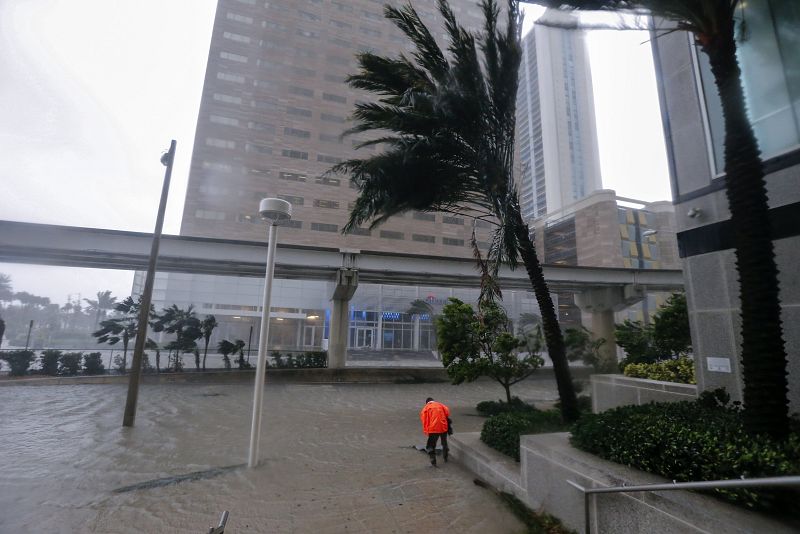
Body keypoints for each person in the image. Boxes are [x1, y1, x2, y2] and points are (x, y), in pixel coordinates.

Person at [420, 397, 451, 467]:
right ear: (433, 401)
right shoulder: (441, 405)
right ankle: (445, 457)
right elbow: (447, 413)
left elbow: (424, 421)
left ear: (426, 402)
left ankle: (433, 461)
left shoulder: (425, 408)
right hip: (443, 427)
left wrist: (427, 432)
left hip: (433, 429)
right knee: (444, 442)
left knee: (431, 445)